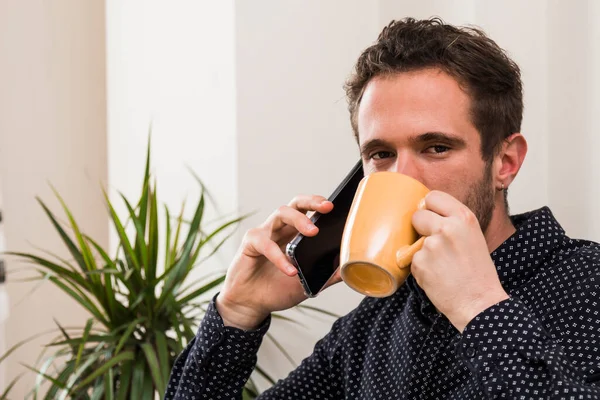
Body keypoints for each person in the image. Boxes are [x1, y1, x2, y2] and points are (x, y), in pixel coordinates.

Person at [164, 17, 600, 399]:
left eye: (436, 147)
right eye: (380, 154)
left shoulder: (587, 285)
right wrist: (237, 313)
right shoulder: (372, 325)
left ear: (505, 162)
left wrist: (480, 307)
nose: (402, 176)